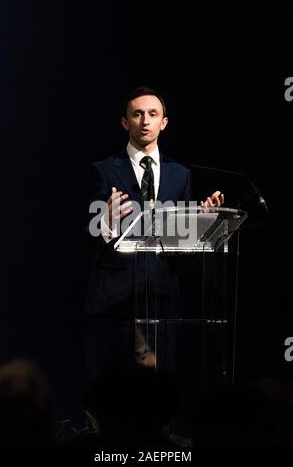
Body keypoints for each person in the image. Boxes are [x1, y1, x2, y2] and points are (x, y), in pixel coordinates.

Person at [84, 86, 224, 383]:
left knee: (160, 391)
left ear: (164, 122)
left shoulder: (180, 175)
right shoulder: (104, 170)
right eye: (137, 114)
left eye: (152, 114)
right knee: (115, 392)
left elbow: (179, 246)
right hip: (117, 301)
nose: (144, 121)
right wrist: (105, 223)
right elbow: (88, 239)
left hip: (163, 300)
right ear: (125, 122)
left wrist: (201, 223)